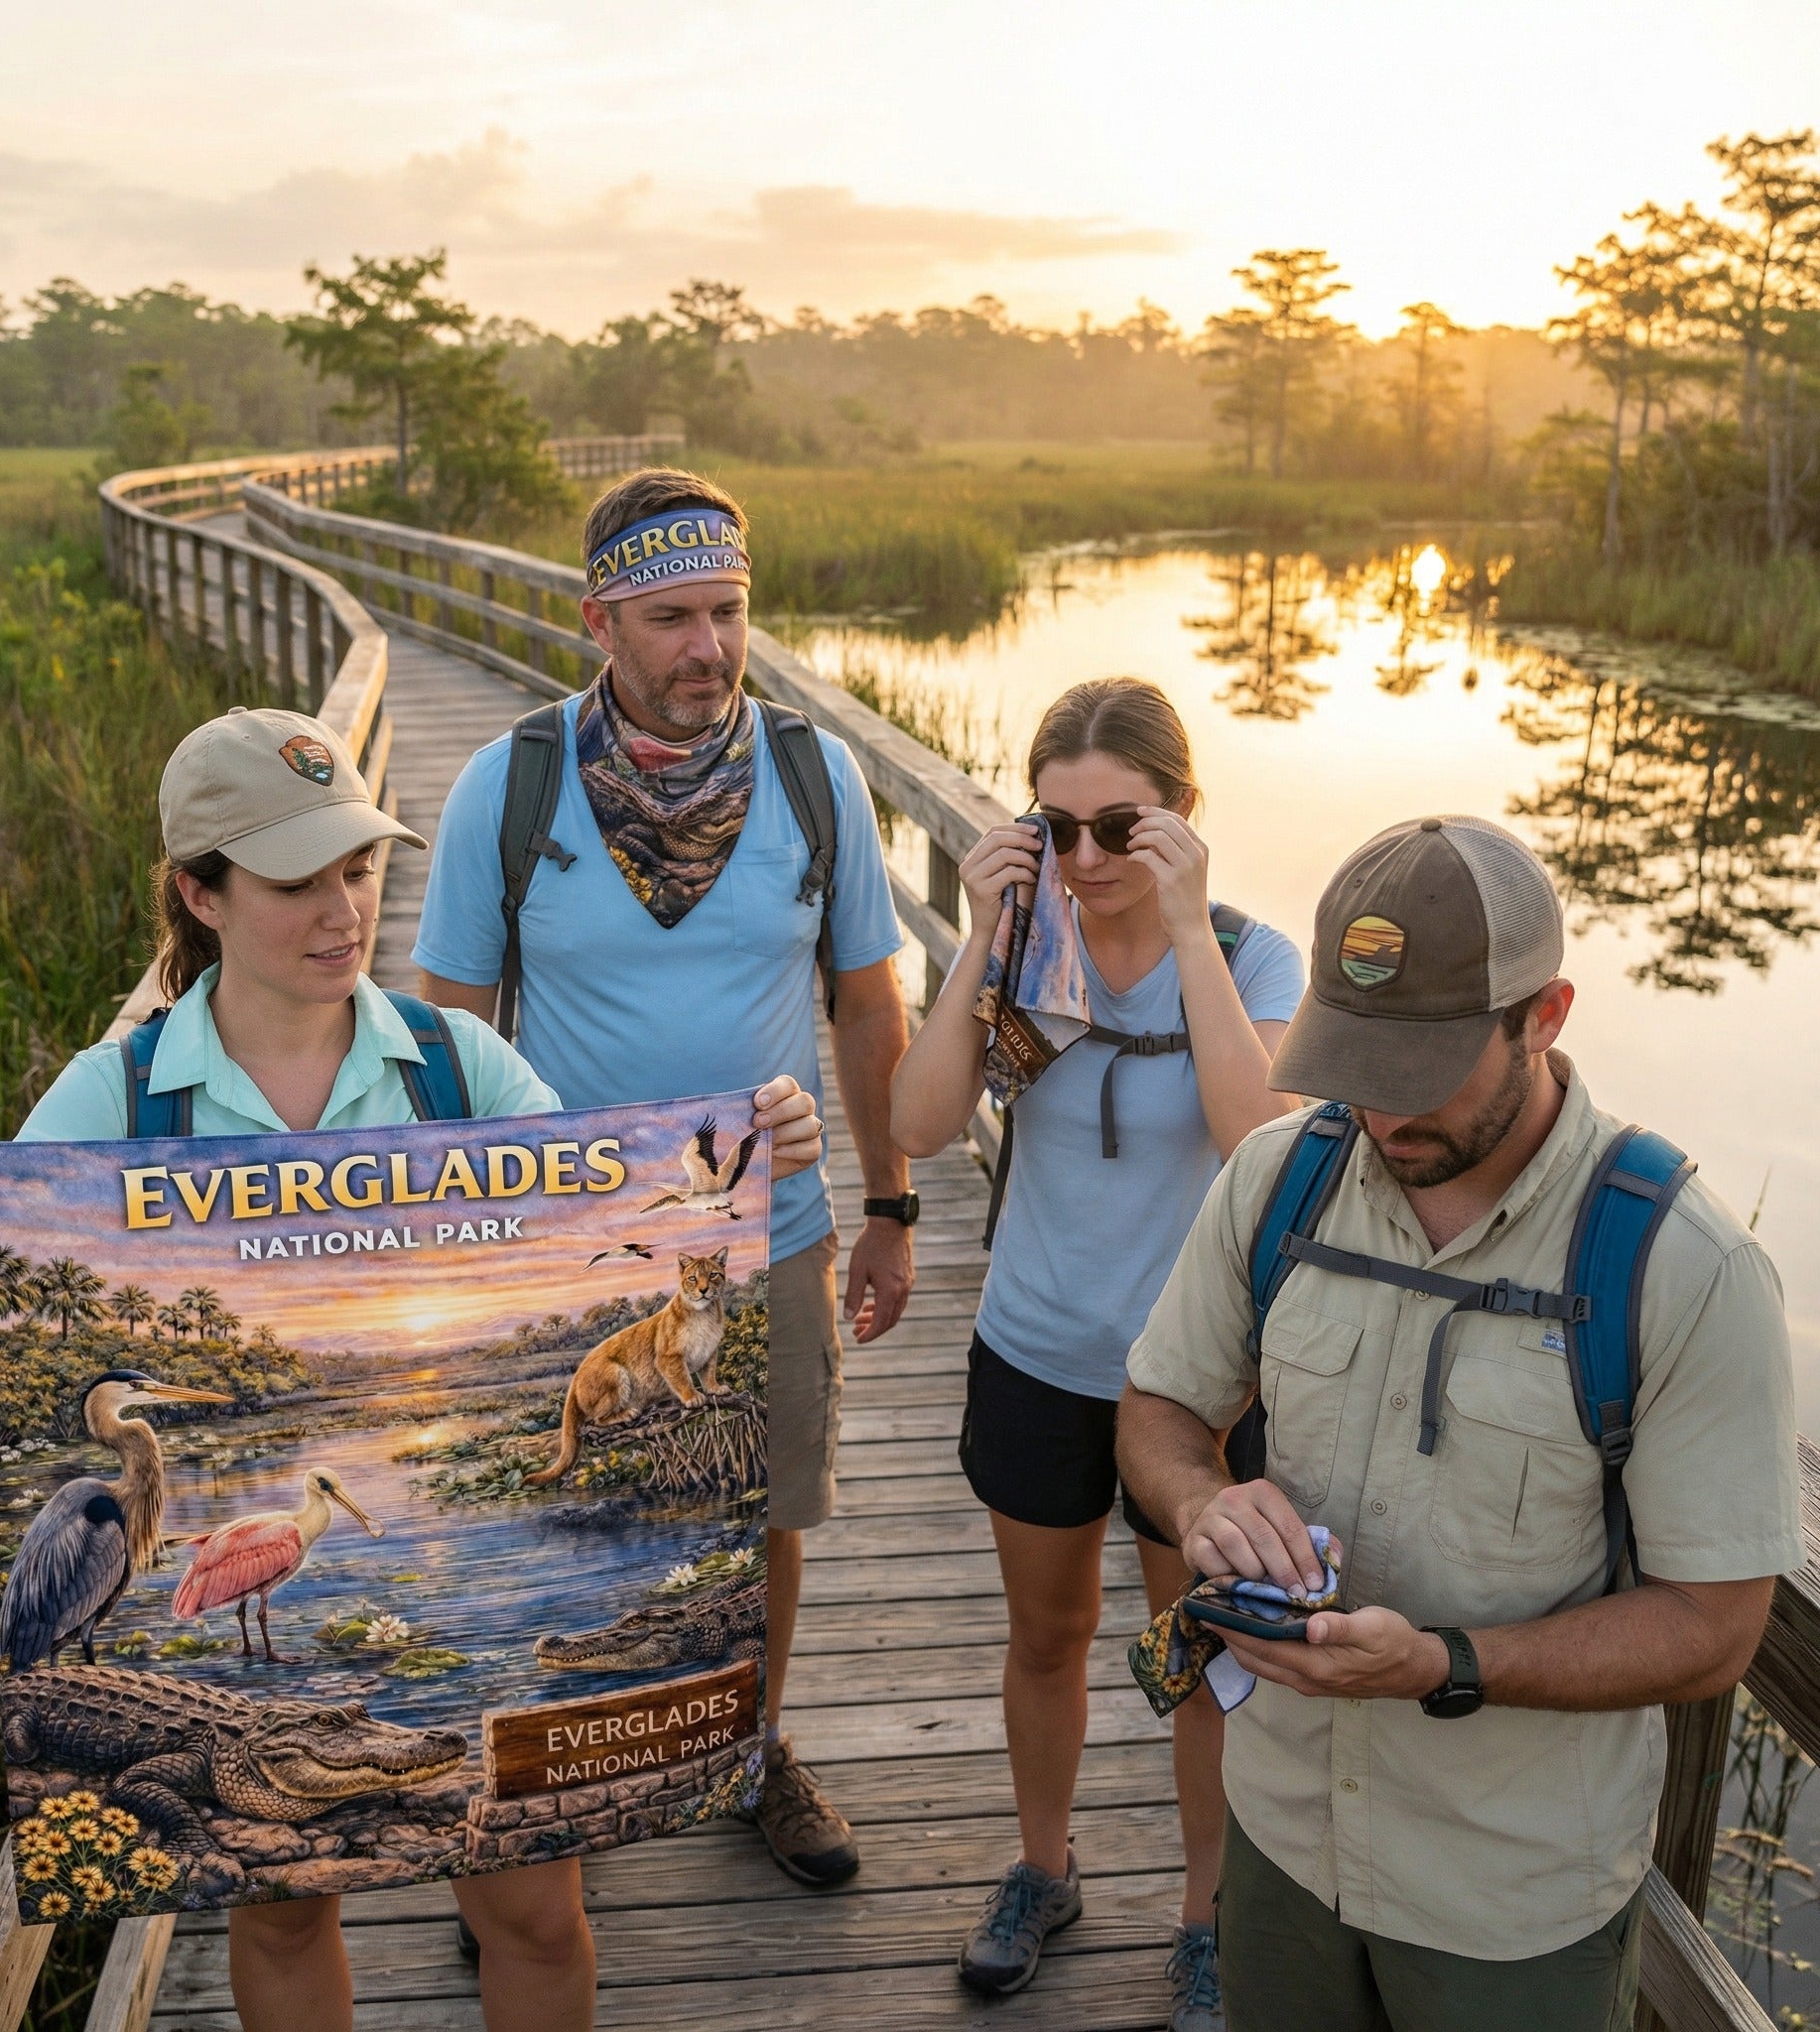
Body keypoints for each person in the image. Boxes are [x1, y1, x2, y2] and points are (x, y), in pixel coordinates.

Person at [0, 704, 823, 2032]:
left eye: (359, 866)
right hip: (281, 1678)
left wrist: (749, 1169)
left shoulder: (451, 1064)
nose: (345, 907)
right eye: (297, 877)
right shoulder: (119, 1099)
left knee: (534, 1903)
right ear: (200, 890)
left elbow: (624, 1226)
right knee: (287, 1898)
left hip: (472, 1623)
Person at [1117, 814, 1803, 2032]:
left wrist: (1447, 1664)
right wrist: (1199, 1497)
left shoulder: (1685, 1268)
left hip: (1510, 1902)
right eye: (1353, 1062)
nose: (1380, 1114)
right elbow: (1162, 1404)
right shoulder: (1276, 1179)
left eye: (1421, 1070)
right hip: (1273, 1836)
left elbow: (1712, 1627)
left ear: (1543, 1015)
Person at [412, 467, 915, 1887]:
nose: (710, 648)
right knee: (569, 1515)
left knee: (766, 1507)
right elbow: (446, 1021)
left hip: (780, 1223)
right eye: (674, 618)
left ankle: (751, 1745)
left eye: (730, 613)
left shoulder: (815, 777)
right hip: (573, 1242)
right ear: (601, 623)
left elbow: (870, 1002)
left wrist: (890, 1205)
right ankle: (542, 1816)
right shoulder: (511, 786)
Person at [889, 678, 1302, 2018]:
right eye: (1053, 828)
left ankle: (1206, 1914)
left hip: (1198, 1382)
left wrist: (1183, 928)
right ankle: (1044, 1866)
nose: (1084, 860)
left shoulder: (1251, 959)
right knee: (1047, 1634)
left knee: (1196, 1647)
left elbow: (1264, 1143)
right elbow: (920, 1118)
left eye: (1118, 827)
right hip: (1037, 1346)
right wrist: (976, 935)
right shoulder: (1026, 946)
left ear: (1181, 817)